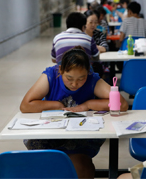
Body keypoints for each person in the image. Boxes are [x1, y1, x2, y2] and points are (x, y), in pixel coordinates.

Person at [20, 47, 129, 178]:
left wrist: (88, 104)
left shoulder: (92, 80)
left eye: (81, 79)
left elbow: (122, 104)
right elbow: (25, 105)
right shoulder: (51, 76)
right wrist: (57, 105)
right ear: (60, 70)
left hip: (79, 139)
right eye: (69, 78)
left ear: (87, 73)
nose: (75, 84)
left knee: (82, 167)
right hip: (50, 136)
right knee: (45, 165)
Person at [84, 10, 109, 78]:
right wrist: (96, 48)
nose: (93, 25)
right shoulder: (80, 35)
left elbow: (105, 47)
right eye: (91, 22)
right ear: (84, 22)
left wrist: (89, 48)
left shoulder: (99, 34)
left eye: (95, 22)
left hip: (97, 64)